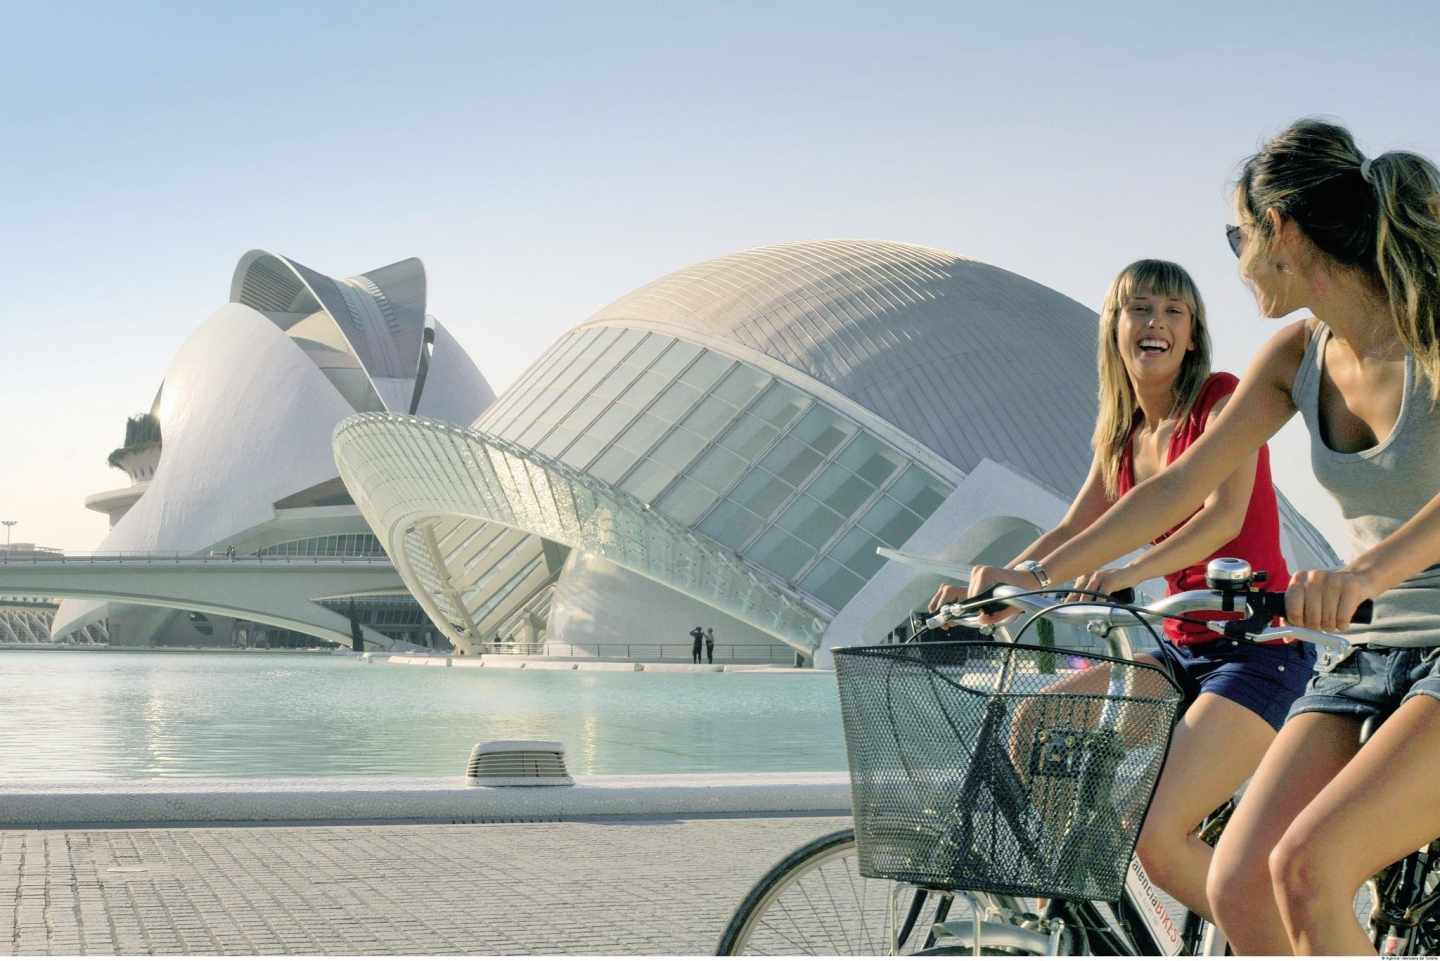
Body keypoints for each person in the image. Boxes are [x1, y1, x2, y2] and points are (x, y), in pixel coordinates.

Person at [964, 119, 1440, 955]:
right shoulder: (1297, 352)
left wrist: (1363, 570)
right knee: (1237, 880)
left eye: (1238, 236)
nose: (1237, 257)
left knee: (1309, 864)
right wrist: (1033, 573)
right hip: (1373, 650)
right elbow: (1182, 485)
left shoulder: (1429, 326)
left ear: (1280, 230)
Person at [933, 257, 1304, 924]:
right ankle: (1074, 897)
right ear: (1114, 326)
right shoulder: (1125, 435)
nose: (1155, 322)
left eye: (1172, 311)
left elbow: (1220, 514)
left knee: (1156, 837)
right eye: (1140, 308)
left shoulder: (1221, 401)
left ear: (1193, 334)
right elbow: (1076, 528)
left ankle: (1274, 937)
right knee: (1036, 721)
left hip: (1258, 651)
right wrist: (995, 586)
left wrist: (1132, 570)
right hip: (1180, 651)